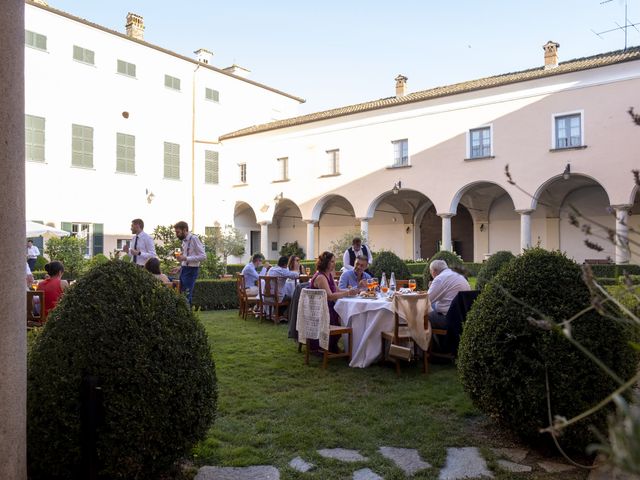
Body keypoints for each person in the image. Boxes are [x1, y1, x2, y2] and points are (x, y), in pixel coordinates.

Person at [310, 251, 358, 352]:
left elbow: (337, 290)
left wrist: (353, 291)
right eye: (332, 261)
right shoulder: (321, 277)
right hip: (322, 311)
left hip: (328, 307)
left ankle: (340, 345)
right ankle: (328, 346)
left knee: (344, 315)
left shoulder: (328, 275)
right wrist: (348, 293)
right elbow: (330, 296)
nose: (334, 263)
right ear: (325, 263)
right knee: (345, 318)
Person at [427, 259, 470, 329]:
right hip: (463, 317)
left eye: (430, 271)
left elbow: (427, 300)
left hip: (449, 319)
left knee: (422, 314)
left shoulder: (439, 278)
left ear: (434, 271)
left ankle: (426, 339)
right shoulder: (457, 275)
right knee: (432, 306)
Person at [173, 221, 206, 305]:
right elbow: (186, 259)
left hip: (191, 270)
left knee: (186, 295)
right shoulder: (184, 241)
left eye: (178, 232)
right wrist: (180, 267)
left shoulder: (194, 238)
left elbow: (203, 256)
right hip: (184, 269)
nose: (176, 234)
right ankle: (184, 316)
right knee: (181, 294)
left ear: (184, 230)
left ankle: (188, 316)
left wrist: (185, 258)